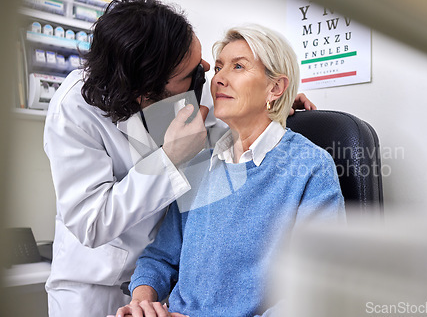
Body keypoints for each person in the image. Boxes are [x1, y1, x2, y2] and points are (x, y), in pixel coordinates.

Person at [43, 0, 316, 317]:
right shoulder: (74, 109)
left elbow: (320, 283)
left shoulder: (307, 167)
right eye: (202, 71)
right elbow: (93, 223)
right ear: (146, 91)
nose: (209, 75)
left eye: (233, 66)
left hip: (163, 290)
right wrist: (171, 158)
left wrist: (273, 104)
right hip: (97, 281)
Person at [114, 24, 345, 317]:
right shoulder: (198, 166)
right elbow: (159, 258)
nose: (219, 78)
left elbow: (314, 293)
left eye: (238, 67)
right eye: (219, 67)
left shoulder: (310, 168)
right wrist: (142, 303)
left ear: (275, 88)